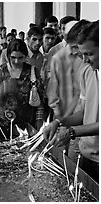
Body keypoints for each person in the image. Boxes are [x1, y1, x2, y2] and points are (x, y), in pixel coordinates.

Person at [43, 21, 99, 183]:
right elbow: (83, 112)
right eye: (82, 54)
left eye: (89, 54)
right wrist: (59, 122)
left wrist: (72, 132)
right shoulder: (88, 72)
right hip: (86, 153)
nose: (84, 59)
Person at [0, 39, 45, 131]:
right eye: (13, 57)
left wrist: (39, 120)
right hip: (3, 125)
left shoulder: (32, 71)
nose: (16, 61)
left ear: (25, 56)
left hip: (27, 125)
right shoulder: (1, 71)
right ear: (8, 55)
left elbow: (40, 98)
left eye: (20, 58)